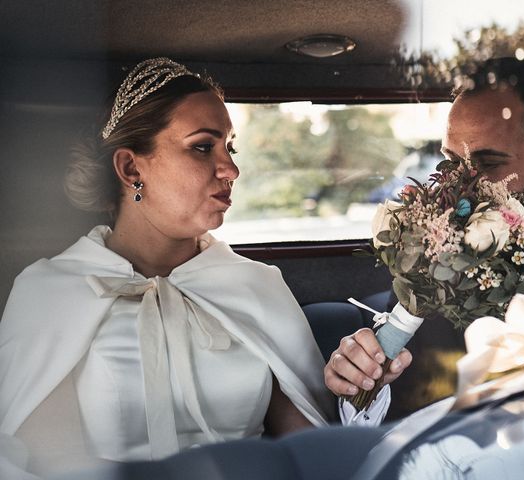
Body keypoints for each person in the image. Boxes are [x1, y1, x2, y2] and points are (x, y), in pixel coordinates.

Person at [0, 57, 333, 478]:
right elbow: (40, 462)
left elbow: (305, 447)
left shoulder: (256, 285)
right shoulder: (50, 293)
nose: (231, 169)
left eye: (229, 147)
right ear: (131, 168)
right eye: (202, 146)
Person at [324, 57, 524, 421]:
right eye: (450, 161)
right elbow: (390, 413)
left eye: (487, 163)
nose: (458, 187)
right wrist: (363, 382)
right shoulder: (434, 260)